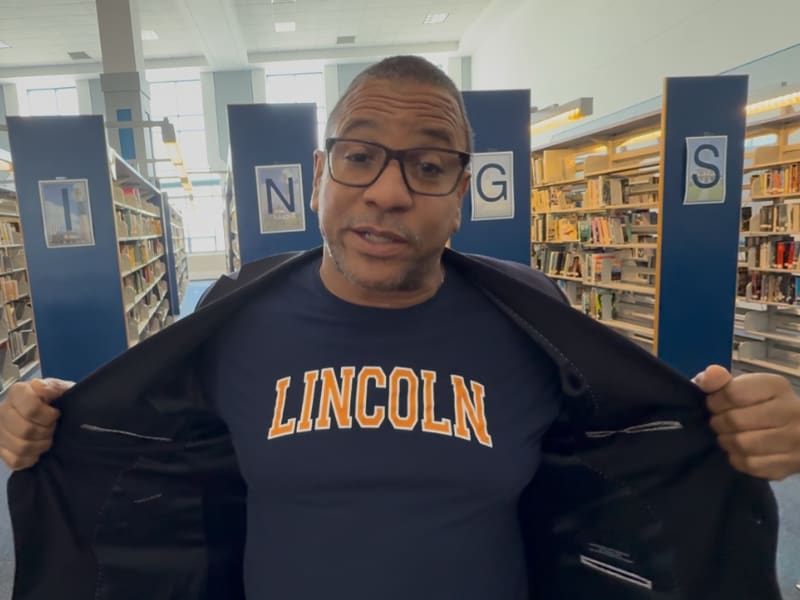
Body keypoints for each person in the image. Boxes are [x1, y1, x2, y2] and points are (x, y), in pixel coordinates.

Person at [0, 55, 798, 600]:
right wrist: (55, 416)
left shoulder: (533, 319)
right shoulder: (232, 315)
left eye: (427, 164)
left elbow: (633, 445)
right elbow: (148, 445)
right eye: (359, 156)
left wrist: (740, 423)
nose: (387, 192)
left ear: (462, 193)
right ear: (320, 176)